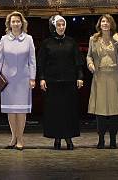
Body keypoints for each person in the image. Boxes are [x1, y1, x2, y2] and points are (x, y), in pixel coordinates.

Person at [0, 11, 36, 151]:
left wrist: (32, 78)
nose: (16, 23)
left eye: (18, 21)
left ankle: (20, 138)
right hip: (7, 80)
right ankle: (13, 137)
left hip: (23, 79)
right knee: (11, 111)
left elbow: (32, 61)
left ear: (22, 23)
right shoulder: (4, 39)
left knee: (21, 111)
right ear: (9, 24)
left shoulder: (29, 39)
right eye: (13, 21)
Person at [38, 15, 84, 150]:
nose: (61, 27)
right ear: (53, 26)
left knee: (69, 111)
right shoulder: (46, 43)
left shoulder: (71, 42)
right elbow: (41, 63)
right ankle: (57, 139)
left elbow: (78, 62)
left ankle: (69, 139)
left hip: (69, 82)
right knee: (55, 112)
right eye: (58, 25)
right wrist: (42, 78)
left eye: (63, 25)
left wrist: (80, 76)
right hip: (52, 83)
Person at [87, 14, 118, 149]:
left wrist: (117, 41)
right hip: (99, 76)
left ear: (112, 24)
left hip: (114, 76)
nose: (105, 24)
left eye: (107, 22)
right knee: (100, 111)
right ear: (99, 24)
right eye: (103, 21)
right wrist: (90, 64)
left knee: (114, 111)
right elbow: (89, 56)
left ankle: (113, 139)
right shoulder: (93, 39)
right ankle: (100, 139)